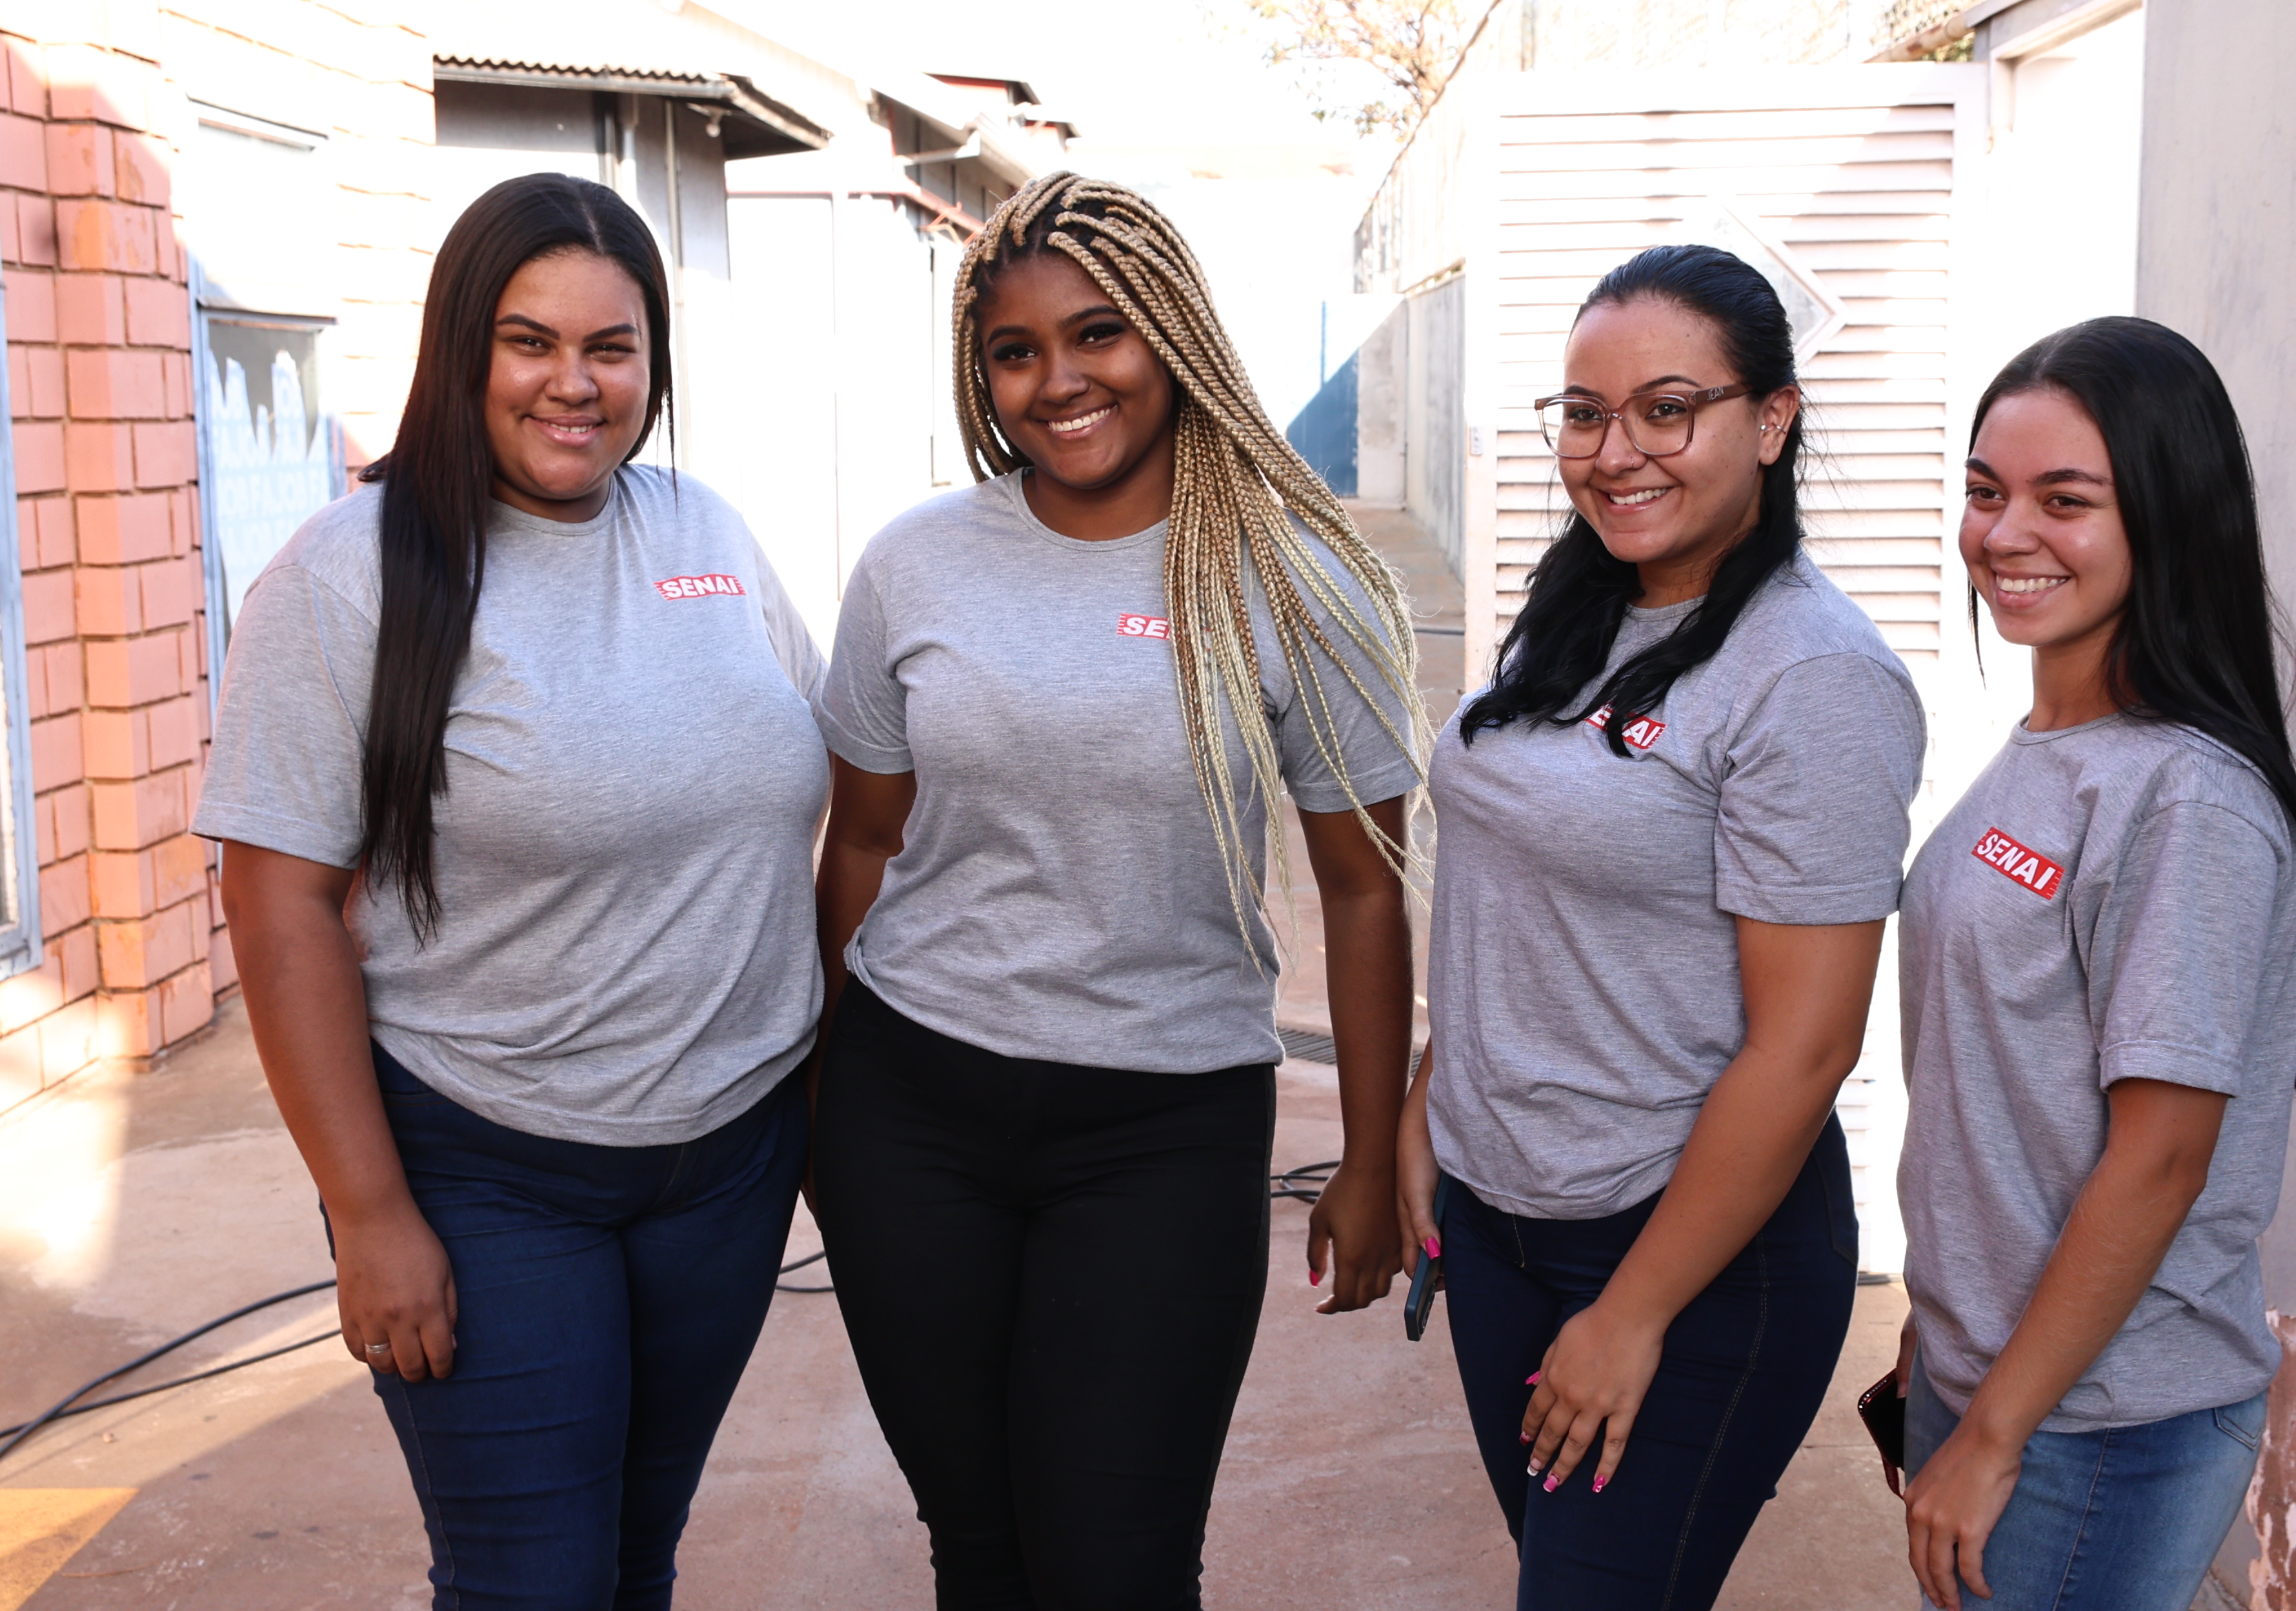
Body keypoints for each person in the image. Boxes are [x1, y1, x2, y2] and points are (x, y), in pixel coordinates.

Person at [196, 173, 829, 1610]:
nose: (574, 384)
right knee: (529, 1587)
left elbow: (839, 774)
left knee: (634, 1564)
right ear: (461, 349)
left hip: (728, 1161)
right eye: (529, 341)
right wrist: (369, 1212)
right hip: (486, 1165)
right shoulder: (350, 574)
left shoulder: (705, 532)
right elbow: (280, 908)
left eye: (612, 347)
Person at [809, 172, 1426, 1610]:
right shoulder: (916, 563)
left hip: (1163, 1127)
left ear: (1173, 332)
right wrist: (827, 1097)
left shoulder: (1292, 578)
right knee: (981, 1554)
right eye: (1015, 352)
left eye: (1099, 333)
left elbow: (1364, 891)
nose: (1059, 381)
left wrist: (1368, 1155)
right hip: (914, 1113)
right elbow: (861, 845)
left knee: (1119, 1568)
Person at [1397, 242, 1928, 1609]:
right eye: (1585, 413)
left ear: (1773, 418)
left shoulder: (1813, 677)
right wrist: (1436, 1097)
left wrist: (1632, 1312)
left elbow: (1806, 1049)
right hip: (1503, 1221)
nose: (1614, 452)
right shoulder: (1584, 607)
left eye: (1667, 409)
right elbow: (1522, 885)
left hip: (1684, 1258)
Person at [1892, 317, 2296, 1611]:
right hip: (2003, 1380)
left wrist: (1995, 1430)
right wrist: (1946, 1328)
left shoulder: (2187, 798)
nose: (2006, 533)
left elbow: (2161, 1159)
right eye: (1986, 491)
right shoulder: (2050, 747)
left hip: (2097, 1423)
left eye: (2065, 501)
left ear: (2167, 517)